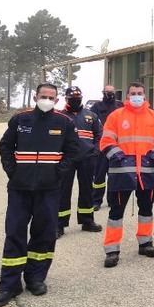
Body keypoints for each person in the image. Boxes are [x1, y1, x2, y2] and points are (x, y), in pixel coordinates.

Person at [0, 83, 80, 307]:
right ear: (35, 97)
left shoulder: (64, 122)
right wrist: (12, 171)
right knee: (14, 233)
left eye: (52, 97)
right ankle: (9, 285)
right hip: (20, 188)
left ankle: (35, 278)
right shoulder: (20, 120)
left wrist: (58, 174)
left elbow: (72, 151)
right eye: (44, 96)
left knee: (44, 234)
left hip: (48, 190)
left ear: (57, 100)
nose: (47, 100)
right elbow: (5, 146)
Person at [100, 82, 154, 268]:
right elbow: (106, 140)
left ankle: (145, 243)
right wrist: (118, 156)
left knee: (146, 210)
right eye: (133, 93)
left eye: (139, 93)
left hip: (147, 172)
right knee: (116, 213)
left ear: (145, 95)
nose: (136, 96)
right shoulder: (116, 116)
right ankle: (112, 250)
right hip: (122, 172)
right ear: (127, 96)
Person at [57, 86, 103, 238]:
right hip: (66, 160)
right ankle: (59, 224)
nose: (75, 100)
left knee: (87, 190)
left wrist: (95, 151)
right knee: (63, 191)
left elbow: (99, 135)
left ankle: (87, 221)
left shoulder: (91, 116)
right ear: (66, 99)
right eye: (72, 98)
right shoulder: (60, 116)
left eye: (78, 97)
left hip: (87, 159)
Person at [90, 85, 123, 210]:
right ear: (103, 93)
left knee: (114, 175)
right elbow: (92, 124)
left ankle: (112, 200)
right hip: (102, 146)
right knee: (99, 175)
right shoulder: (96, 107)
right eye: (107, 92)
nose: (109, 94)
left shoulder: (120, 106)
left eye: (111, 92)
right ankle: (96, 201)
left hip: (116, 145)